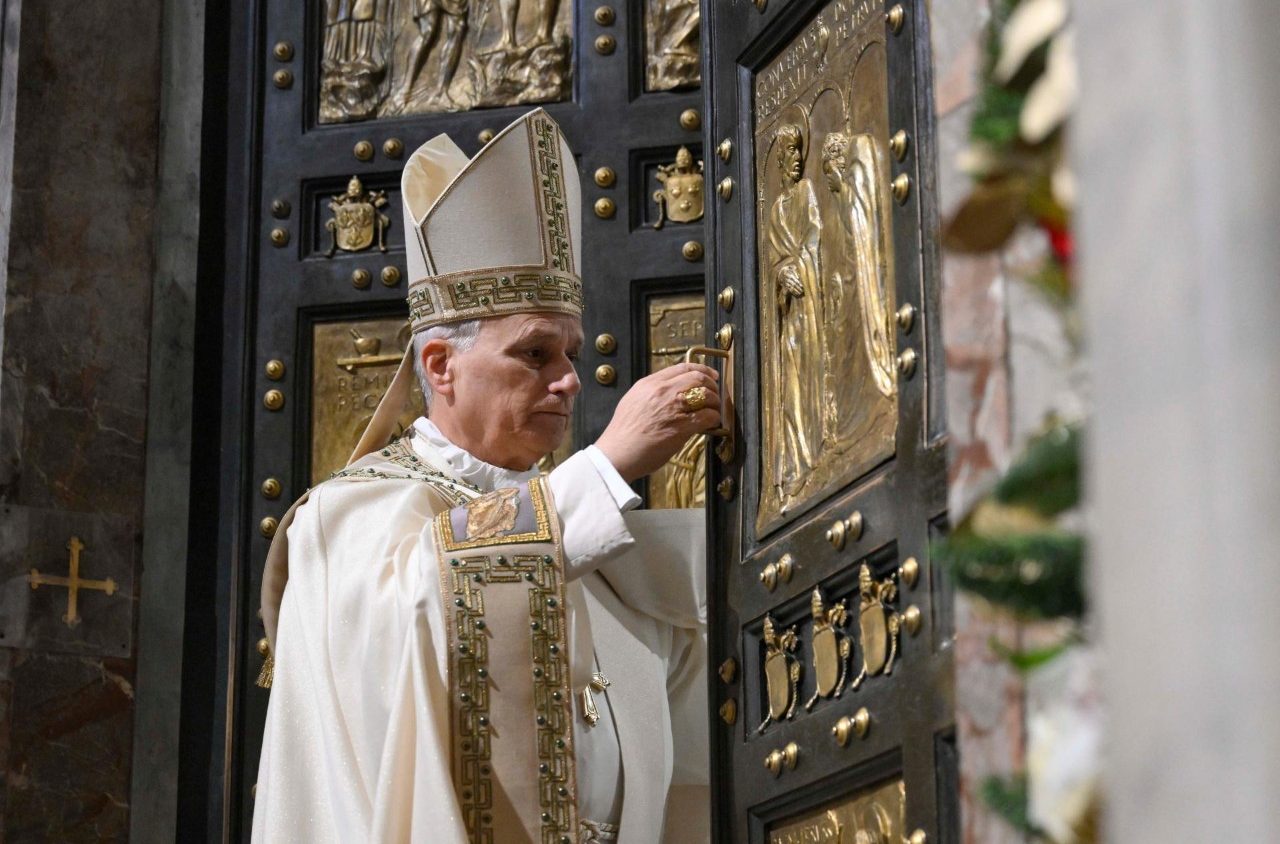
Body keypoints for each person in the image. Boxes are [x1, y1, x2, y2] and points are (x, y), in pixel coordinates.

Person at [252, 108, 717, 843]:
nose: (569, 380)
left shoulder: (579, 534)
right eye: (535, 354)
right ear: (441, 365)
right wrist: (609, 462)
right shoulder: (349, 519)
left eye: (568, 352)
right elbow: (421, 605)